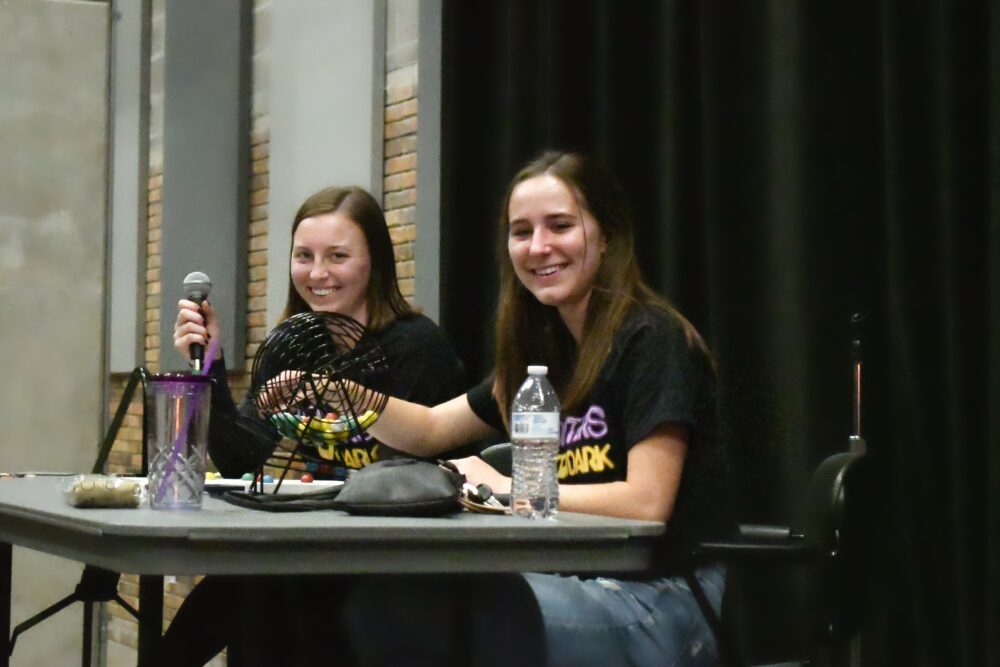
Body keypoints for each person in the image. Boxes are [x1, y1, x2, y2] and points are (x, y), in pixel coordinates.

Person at [341, 151, 733, 666]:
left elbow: (647, 501)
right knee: (382, 604)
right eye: (521, 231)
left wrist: (508, 489)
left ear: (608, 233)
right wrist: (338, 394)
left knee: (468, 613)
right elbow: (433, 427)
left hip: (663, 600)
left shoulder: (651, 339)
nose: (539, 246)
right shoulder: (543, 356)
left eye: (561, 226)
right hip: (577, 582)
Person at [160, 185, 467, 666]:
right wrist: (211, 366)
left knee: (263, 587)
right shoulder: (295, 344)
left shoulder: (416, 347)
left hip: (390, 564)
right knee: (246, 580)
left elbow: (433, 474)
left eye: (337, 256)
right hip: (306, 552)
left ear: (374, 263)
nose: (317, 273)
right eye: (304, 256)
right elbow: (242, 457)